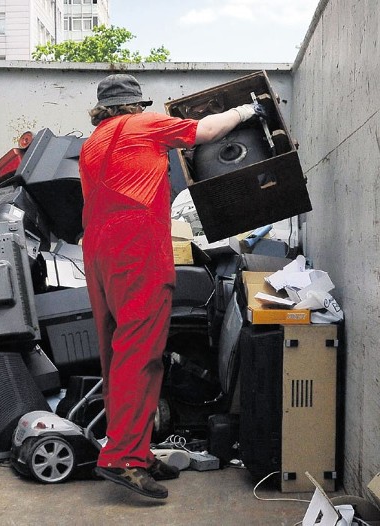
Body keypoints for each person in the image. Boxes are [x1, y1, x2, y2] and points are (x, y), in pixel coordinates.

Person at [78, 73, 262, 500]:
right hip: (136, 249)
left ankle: (136, 450)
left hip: (99, 251)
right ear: (134, 105)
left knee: (120, 354)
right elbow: (205, 131)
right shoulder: (143, 125)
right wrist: (248, 110)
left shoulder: (93, 143)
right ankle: (124, 457)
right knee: (140, 355)